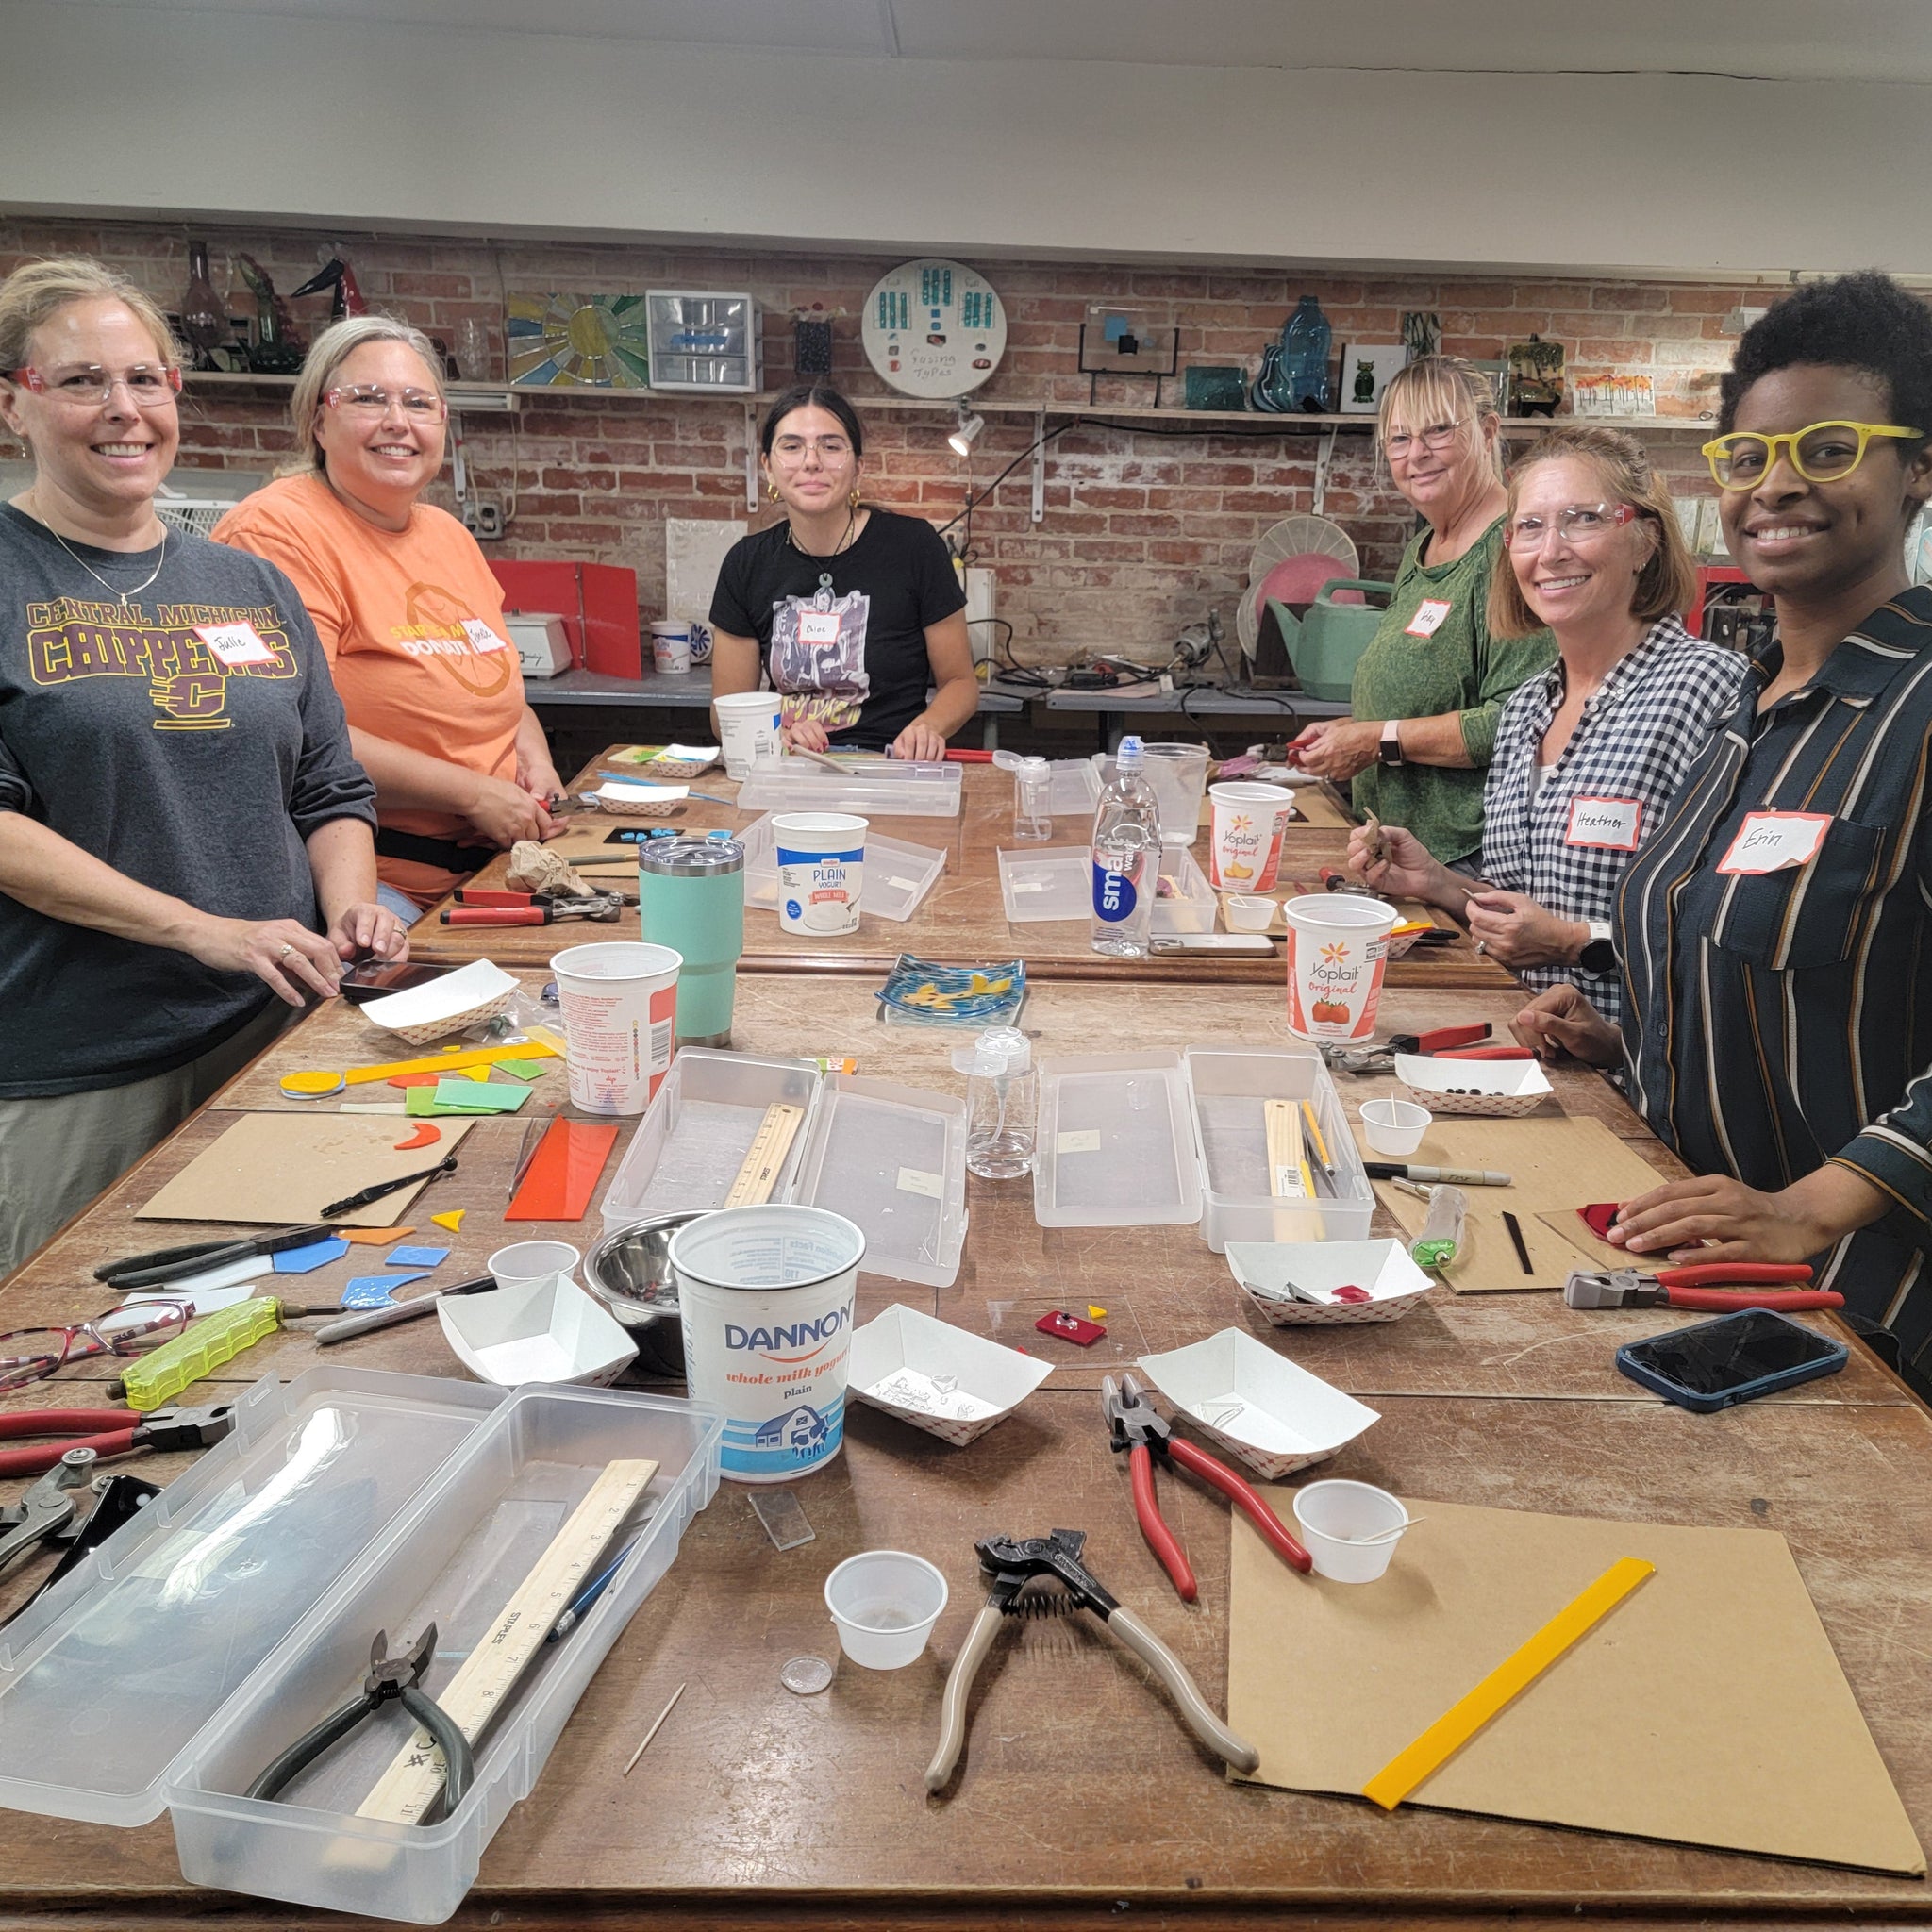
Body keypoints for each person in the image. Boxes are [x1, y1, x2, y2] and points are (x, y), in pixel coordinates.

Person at [1509, 272, 1932, 1389]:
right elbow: (1750, 949)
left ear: (1919, 469)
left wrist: (1807, 1207)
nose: (1776, 485)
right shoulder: (1743, 710)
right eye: (1746, 458)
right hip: (1695, 1264)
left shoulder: (1919, 702)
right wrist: (1642, 1044)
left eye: (1829, 448)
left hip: (1866, 1311)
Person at [0, 258, 401, 1273]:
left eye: (147, 380)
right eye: (83, 380)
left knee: (271, 1310)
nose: (124, 409)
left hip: (270, 1029)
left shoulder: (245, 583)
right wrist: (202, 931)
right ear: (15, 405)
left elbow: (327, 785)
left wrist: (350, 908)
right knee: (72, 1328)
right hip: (84, 1058)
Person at [1346, 425, 1742, 1024]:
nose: (1551, 550)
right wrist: (1438, 884)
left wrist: (1570, 942)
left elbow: (1733, 929)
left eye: (1582, 518)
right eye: (1529, 526)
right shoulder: (1530, 707)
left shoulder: (1711, 690)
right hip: (1529, 1051)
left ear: (1644, 542)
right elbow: (1520, 907)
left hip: (1643, 1079)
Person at [214, 316, 563, 920]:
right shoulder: (273, 532)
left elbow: (494, 684)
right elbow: (294, 730)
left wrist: (535, 762)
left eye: (419, 403)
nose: (397, 421)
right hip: (371, 888)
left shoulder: (447, 535)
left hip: (491, 867)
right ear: (318, 420)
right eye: (368, 399)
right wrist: (474, 794)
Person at [1291, 356, 1556, 867]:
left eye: (1438, 431)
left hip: (1467, 860)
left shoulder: (1511, 550)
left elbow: (1516, 724)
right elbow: (1434, 694)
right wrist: (1353, 728)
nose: (1417, 454)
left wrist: (1376, 740)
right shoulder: (1426, 549)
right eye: (1398, 438)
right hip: (1403, 849)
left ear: (1487, 431)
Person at [708, 384, 977, 758]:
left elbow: (961, 682)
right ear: (768, 466)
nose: (811, 461)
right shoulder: (746, 563)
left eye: (831, 446)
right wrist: (779, 734)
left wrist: (926, 728)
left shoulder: (914, 547)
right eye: (791, 446)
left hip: (891, 768)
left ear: (858, 467)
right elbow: (726, 713)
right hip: (792, 769)